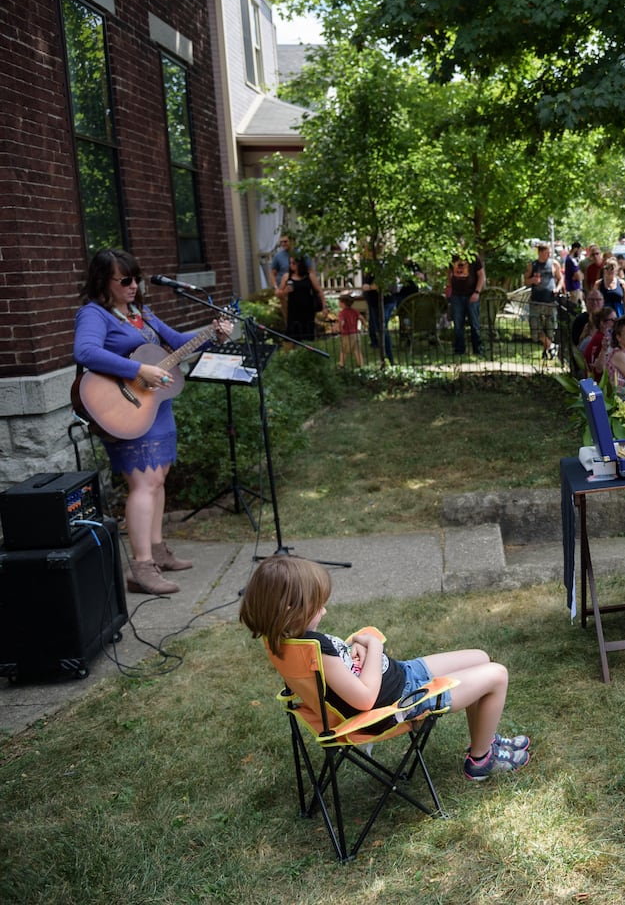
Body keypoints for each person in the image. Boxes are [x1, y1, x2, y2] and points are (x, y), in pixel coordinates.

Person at [239, 555, 530, 781]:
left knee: (479, 657)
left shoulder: (283, 641)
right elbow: (365, 699)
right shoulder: (316, 648)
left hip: (400, 675)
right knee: (497, 674)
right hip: (401, 702)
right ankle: (481, 760)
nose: (324, 610)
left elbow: (339, 674)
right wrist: (373, 645)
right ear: (289, 609)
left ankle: (485, 738)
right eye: (317, 605)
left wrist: (357, 650)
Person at [74, 249, 233, 595]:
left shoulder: (140, 314)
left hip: (154, 406)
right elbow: (84, 352)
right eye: (125, 280)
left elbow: (176, 344)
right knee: (143, 484)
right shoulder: (95, 314)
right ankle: (141, 567)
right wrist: (138, 369)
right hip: (123, 405)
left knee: (157, 481)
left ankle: (158, 551)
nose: (134, 286)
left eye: (137, 279)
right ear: (104, 281)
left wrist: (212, 332)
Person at [526, 242, 562, 359]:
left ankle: (546, 351)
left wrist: (557, 288)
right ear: (540, 253)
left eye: (550, 253)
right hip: (536, 301)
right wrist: (532, 280)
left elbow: (560, 279)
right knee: (536, 328)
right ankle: (552, 346)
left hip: (550, 301)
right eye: (546, 253)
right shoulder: (533, 265)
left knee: (550, 329)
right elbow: (525, 281)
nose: (549, 255)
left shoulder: (554, 264)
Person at [447, 249, 486, 356]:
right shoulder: (452, 256)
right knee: (458, 324)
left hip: (471, 295)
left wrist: (477, 292)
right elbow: (449, 273)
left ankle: (478, 349)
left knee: (474, 323)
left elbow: (481, 275)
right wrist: (450, 288)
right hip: (456, 296)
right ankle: (459, 350)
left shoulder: (473, 256)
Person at [280, 254, 324, 342]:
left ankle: (309, 350)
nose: (291, 265)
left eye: (294, 263)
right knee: (294, 334)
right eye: (290, 263)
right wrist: (285, 291)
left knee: (308, 333)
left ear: (300, 264)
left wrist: (324, 307)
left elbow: (319, 291)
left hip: (308, 308)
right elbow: (279, 293)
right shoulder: (287, 277)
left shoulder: (309, 276)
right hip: (294, 309)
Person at [336, 294, 364, 368]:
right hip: (355, 334)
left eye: (339, 302)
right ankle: (360, 364)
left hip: (346, 334)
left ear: (343, 303)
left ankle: (341, 364)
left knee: (343, 350)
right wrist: (365, 325)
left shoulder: (342, 313)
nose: (338, 303)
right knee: (357, 350)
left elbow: (341, 322)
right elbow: (361, 318)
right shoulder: (355, 311)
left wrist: (337, 328)